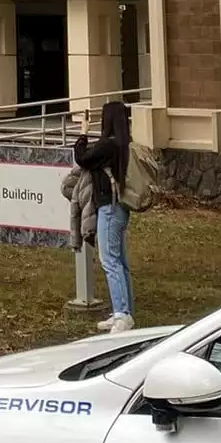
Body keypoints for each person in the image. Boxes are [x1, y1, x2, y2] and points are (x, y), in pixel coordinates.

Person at [72, 101, 135, 333]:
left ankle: (121, 315)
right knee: (120, 261)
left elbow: (82, 157)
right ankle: (125, 311)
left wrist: (83, 133)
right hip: (121, 207)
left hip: (109, 207)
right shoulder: (125, 144)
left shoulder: (108, 145)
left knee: (110, 260)